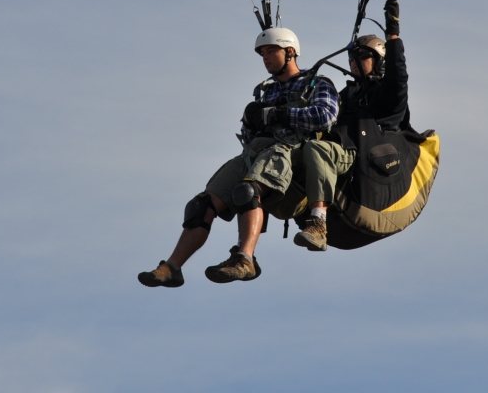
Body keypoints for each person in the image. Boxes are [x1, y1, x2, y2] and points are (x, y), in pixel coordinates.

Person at [138, 27, 339, 287]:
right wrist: (251, 120)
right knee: (201, 205)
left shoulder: (317, 83)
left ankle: (245, 259)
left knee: (247, 191)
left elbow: (326, 116)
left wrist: (279, 114)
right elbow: (248, 135)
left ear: (290, 52)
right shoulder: (265, 91)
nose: (265, 58)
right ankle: (172, 267)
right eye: (262, 53)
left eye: (271, 51)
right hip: (255, 150)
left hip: (290, 149)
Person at [293, 0, 409, 251]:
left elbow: (398, 80)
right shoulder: (345, 96)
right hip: (341, 158)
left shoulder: (386, 98)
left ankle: (319, 223)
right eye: (352, 58)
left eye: (363, 57)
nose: (354, 63)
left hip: (365, 159)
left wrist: (393, 39)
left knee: (317, 150)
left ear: (378, 61)